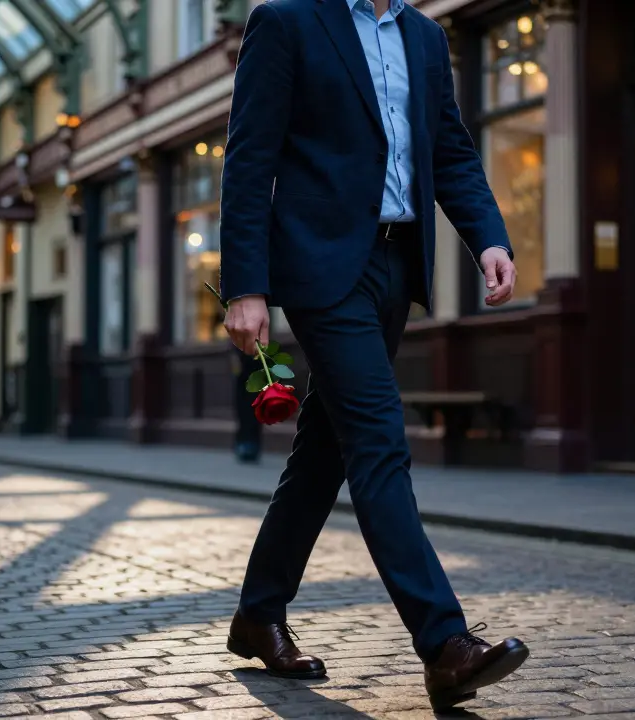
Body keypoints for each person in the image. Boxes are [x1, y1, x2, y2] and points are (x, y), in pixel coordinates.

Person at [217, 0, 525, 710]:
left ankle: (258, 614)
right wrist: (247, 286)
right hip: (324, 270)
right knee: (381, 443)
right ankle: (444, 644)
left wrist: (489, 237)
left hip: (395, 269)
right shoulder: (287, 21)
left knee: (327, 447)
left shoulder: (424, 34)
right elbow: (250, 156)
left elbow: (448, 149)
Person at [231, 344, 262, 463]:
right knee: (243, 409)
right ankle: (244, 443)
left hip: (257, 367)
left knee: (255, 408)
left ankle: (252, 445)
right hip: (243, 368)